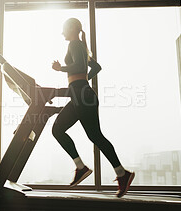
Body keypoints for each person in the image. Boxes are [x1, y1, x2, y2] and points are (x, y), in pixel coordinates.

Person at [51, 18, 135, 198]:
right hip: (79, 95)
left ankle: (122, 173)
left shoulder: (75, 44)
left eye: (64, 29)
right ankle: (81, 168)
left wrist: (61, 68)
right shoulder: (81, 46)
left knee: (94, 135)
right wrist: (82, 79)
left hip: (82, 95)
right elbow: (96, 67)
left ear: (72, 28)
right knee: (58, 129)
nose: (62, 33)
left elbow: (80, 66)